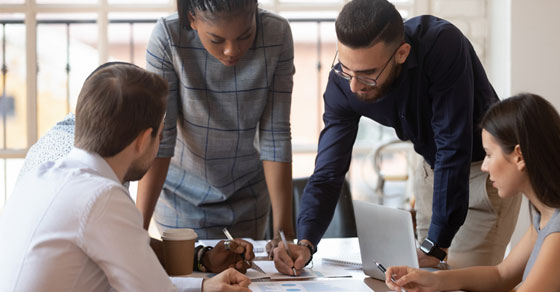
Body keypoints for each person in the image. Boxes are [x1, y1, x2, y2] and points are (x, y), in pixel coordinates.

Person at [273, 0, 521, 275]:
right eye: (346, 68)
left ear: (402, 53)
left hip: (485, 174)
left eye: (367, 74)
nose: (354, 86)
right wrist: (306, 242)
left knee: (462, 282)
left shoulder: (442, 45)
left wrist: (435, 245)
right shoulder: (343, 83)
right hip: (432, 170)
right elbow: (328, 172)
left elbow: (453, 146)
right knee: (424, 280)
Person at [0, 62, 251, 292]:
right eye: (159, 135)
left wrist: (202, 287)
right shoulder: (100, 196)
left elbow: (140, 281)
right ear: (143, 140)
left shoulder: (42, 177)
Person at [139, 0, 295, 245]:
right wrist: (138, 229)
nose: (232, 50)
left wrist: (284, 235)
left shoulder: (277, 34)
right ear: (192, 19)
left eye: (245, 36)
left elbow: (275, 135)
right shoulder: (168, 37)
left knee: (246, 278)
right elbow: (162, 137)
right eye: (217, 40)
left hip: (249, 194)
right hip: (181, 197)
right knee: (192, 278)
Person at [385, 93, 560, 292]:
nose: (484, 167)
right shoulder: (543, 214)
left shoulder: (557, 230)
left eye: (489, 155)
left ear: (519, 156)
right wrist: (433, 280)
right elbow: (501, 275)